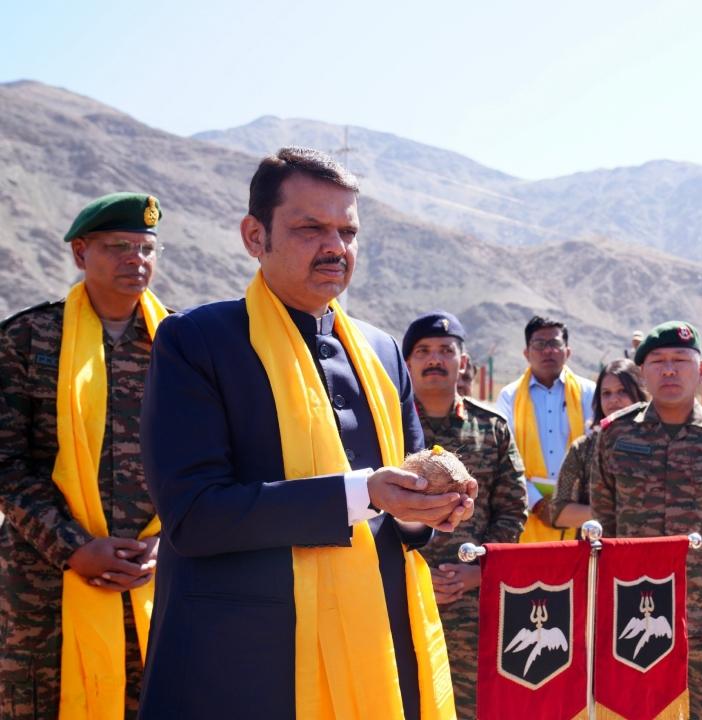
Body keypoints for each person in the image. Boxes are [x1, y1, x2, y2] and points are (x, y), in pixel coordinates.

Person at [138, 147, 474, 719]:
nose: (335, 248)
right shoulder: (197, 341)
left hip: (378, 647)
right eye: (310, 228)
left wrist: (432, 507)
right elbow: (193, 515)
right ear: (254, 235)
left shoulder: (381, 349)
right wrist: (364, 493)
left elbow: (402, 499)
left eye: (348, 231)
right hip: (249, 662)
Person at [0, 193, 169, 719]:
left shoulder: (181, 344)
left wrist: (171, 543)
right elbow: (6, 461)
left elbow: (208, 459)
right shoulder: (27, 339)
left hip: (155, 577)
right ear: (80, 253)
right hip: (45, 585)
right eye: (118, 246)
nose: (134, 260)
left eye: (145, 248)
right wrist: (73, 546)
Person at [592, 321, 702, 719]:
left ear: (701, 371)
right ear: (643, 372)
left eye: (681, 360)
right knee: (638, 705)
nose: (670, 370)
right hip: (637, 604)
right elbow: (606, 518)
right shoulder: (615, 436)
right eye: (658, 361)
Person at [401, 310, 527, 719]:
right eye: (423, 351)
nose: (434, 359)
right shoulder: (387, 425)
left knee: (471, 707)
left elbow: (512, 510)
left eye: (445, 350)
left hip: (475, 600)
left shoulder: (491, 427)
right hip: (401, 595)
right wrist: (413, 572)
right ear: (407, 363)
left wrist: (483, 570)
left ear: (464, 362)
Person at [496, 316, 595, 542]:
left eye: (555, 344)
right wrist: (538, 503)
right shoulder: (510, 397)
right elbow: (505, 458)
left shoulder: (590, 393)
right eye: (539, 344)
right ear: (526, 352)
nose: (547, 350)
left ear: (567, 351)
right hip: (528, 509)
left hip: (581, 509)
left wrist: (572, 506)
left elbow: (596, 452)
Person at [540, 359, 648, 532]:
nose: (614, 399)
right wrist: (615, 512)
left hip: (650, 550)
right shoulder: (584, 449)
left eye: (622, 391)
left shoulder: (658, 442)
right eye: (606, 393)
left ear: (640, 393)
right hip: (597, 553)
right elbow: (558, 512)